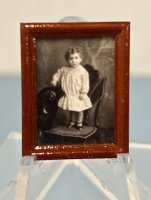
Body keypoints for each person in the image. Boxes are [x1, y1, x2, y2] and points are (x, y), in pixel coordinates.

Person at [51, 46, 92, 131]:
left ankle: (79, 123)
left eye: (76, 58)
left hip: (78, 94)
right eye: (71, 58)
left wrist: (83, 92)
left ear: (80, 59)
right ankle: (72, 121)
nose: (74, 61)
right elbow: (58, 74)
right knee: (72, 109)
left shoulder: (82, 71)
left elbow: (85, 83)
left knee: (79, 110)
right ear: (67, 60)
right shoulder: (65, 69)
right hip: (69, 94)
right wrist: (55, 79)